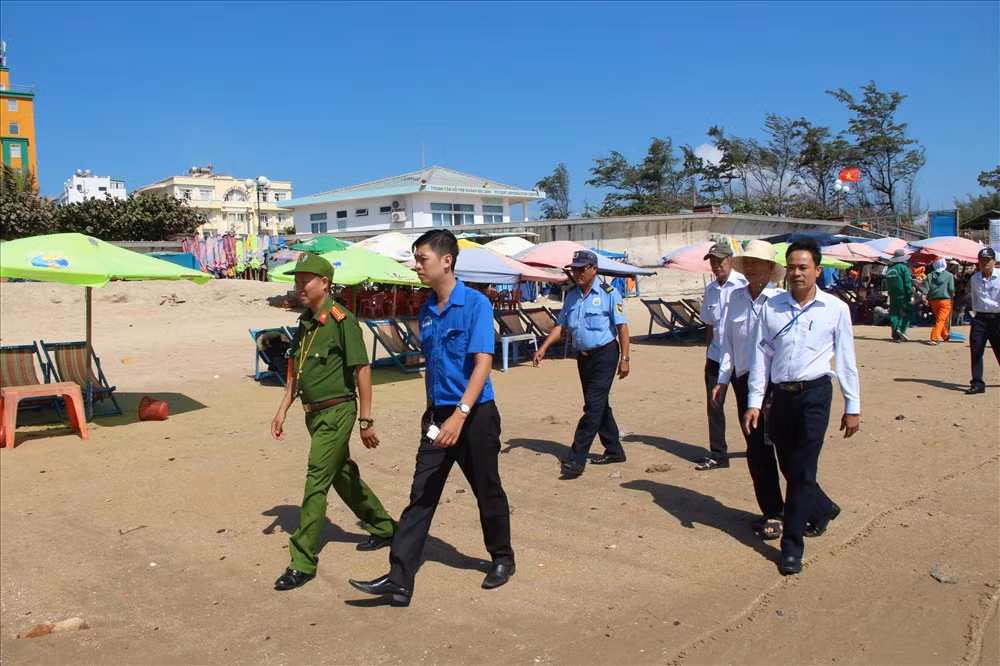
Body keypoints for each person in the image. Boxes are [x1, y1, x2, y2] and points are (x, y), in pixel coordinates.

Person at [349, 230, 514, 606]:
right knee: (421, 495)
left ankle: (503, 558)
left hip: (475, 416)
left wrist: (460, 415)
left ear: (446, 261)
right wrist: (432, 413)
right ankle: (399, 579)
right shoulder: (425, 309)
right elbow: (432, 366)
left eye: (422, 258)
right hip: (439, 415)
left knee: (487, 489)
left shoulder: (475, 304)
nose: (417, 265)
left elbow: (483, 364)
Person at [271, 253, 396, 591]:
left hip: (338, 411)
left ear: (324, 283)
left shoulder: (342, 320)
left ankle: (302, 561)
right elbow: (296, 372)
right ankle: (385, 527)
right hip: (313, 413)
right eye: (296, 281)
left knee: (316, 479)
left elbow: (363, 370)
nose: (299, 287)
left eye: (305, 280)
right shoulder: (306, 323)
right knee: (341, 474)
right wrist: (283, 408)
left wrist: (366, 419)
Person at [744, 238, 861, 576]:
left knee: (803, 470)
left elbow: (847, 361)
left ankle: (792, 546)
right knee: (790, 465)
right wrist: (754, 402)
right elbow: (760, 357)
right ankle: (823, 508)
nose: (796, 273)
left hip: (815, 395)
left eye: (803, 267)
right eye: (792, 267)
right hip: (780, 397)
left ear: (817, 271)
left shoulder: (836, 309)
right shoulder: (772, 306)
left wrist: (852, 405)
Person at [532, 250, 630, 478]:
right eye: (574, 269)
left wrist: (625, 358)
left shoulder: (610, 293)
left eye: (581, 269)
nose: (577, 273)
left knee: (592, 407)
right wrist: (543, 347)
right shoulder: (573, 296)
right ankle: (615, 450)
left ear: (594, 269)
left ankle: (576, 460)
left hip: (605, 355)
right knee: (598, 404)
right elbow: (561, 326)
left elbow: (622, 328)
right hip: (583, 357)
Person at [710, 240, 785, 540]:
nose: (752, 268)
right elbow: (727, 343)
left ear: (770, 268)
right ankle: (773, 511)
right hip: (744, 381)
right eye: (748, 263)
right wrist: (722, 379)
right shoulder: (735, 300)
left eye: (758, 263)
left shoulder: (780, 300)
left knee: (785, 449)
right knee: (756, 449)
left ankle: (812, 505)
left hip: (775, 384)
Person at [696, 241, 747, 470]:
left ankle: (758, 448)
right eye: (713, 262)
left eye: (721, 261)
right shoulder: (710, 291)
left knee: (747, 406)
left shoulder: (744, 286)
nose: (717, 266)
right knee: (714, 406)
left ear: (731, 260)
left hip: (741, 360)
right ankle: (718, 454)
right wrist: (709, 354)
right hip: (717, 357)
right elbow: (709, 325)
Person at [966, 247, 1000, 395]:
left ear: (994, 261)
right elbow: (974, 298)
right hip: (980, 318)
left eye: (987, 260)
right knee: (976, 350)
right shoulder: (975, 278)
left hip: (998, 319)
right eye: (982, 260)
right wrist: (975, 315)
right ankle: (977, 383)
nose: (984, 263)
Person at [923, 258, 955, 345]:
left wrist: (924, 297)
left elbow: (926, 288)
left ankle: (945, 335)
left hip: (933, 301)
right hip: (945, 300)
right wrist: (952, 294)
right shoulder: (949, 275)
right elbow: (951, 288)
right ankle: (934, 338)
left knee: (939, 319)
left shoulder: (929, 276)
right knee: (941, 320)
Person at [884, 249, 914, 341]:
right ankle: (901, 328)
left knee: (894, 314)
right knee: (909, 311)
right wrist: (911, 295)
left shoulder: (889, 269)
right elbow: (907, 283)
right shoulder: (904, 268)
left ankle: (896, 336)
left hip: (892, 295)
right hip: (903, 295)